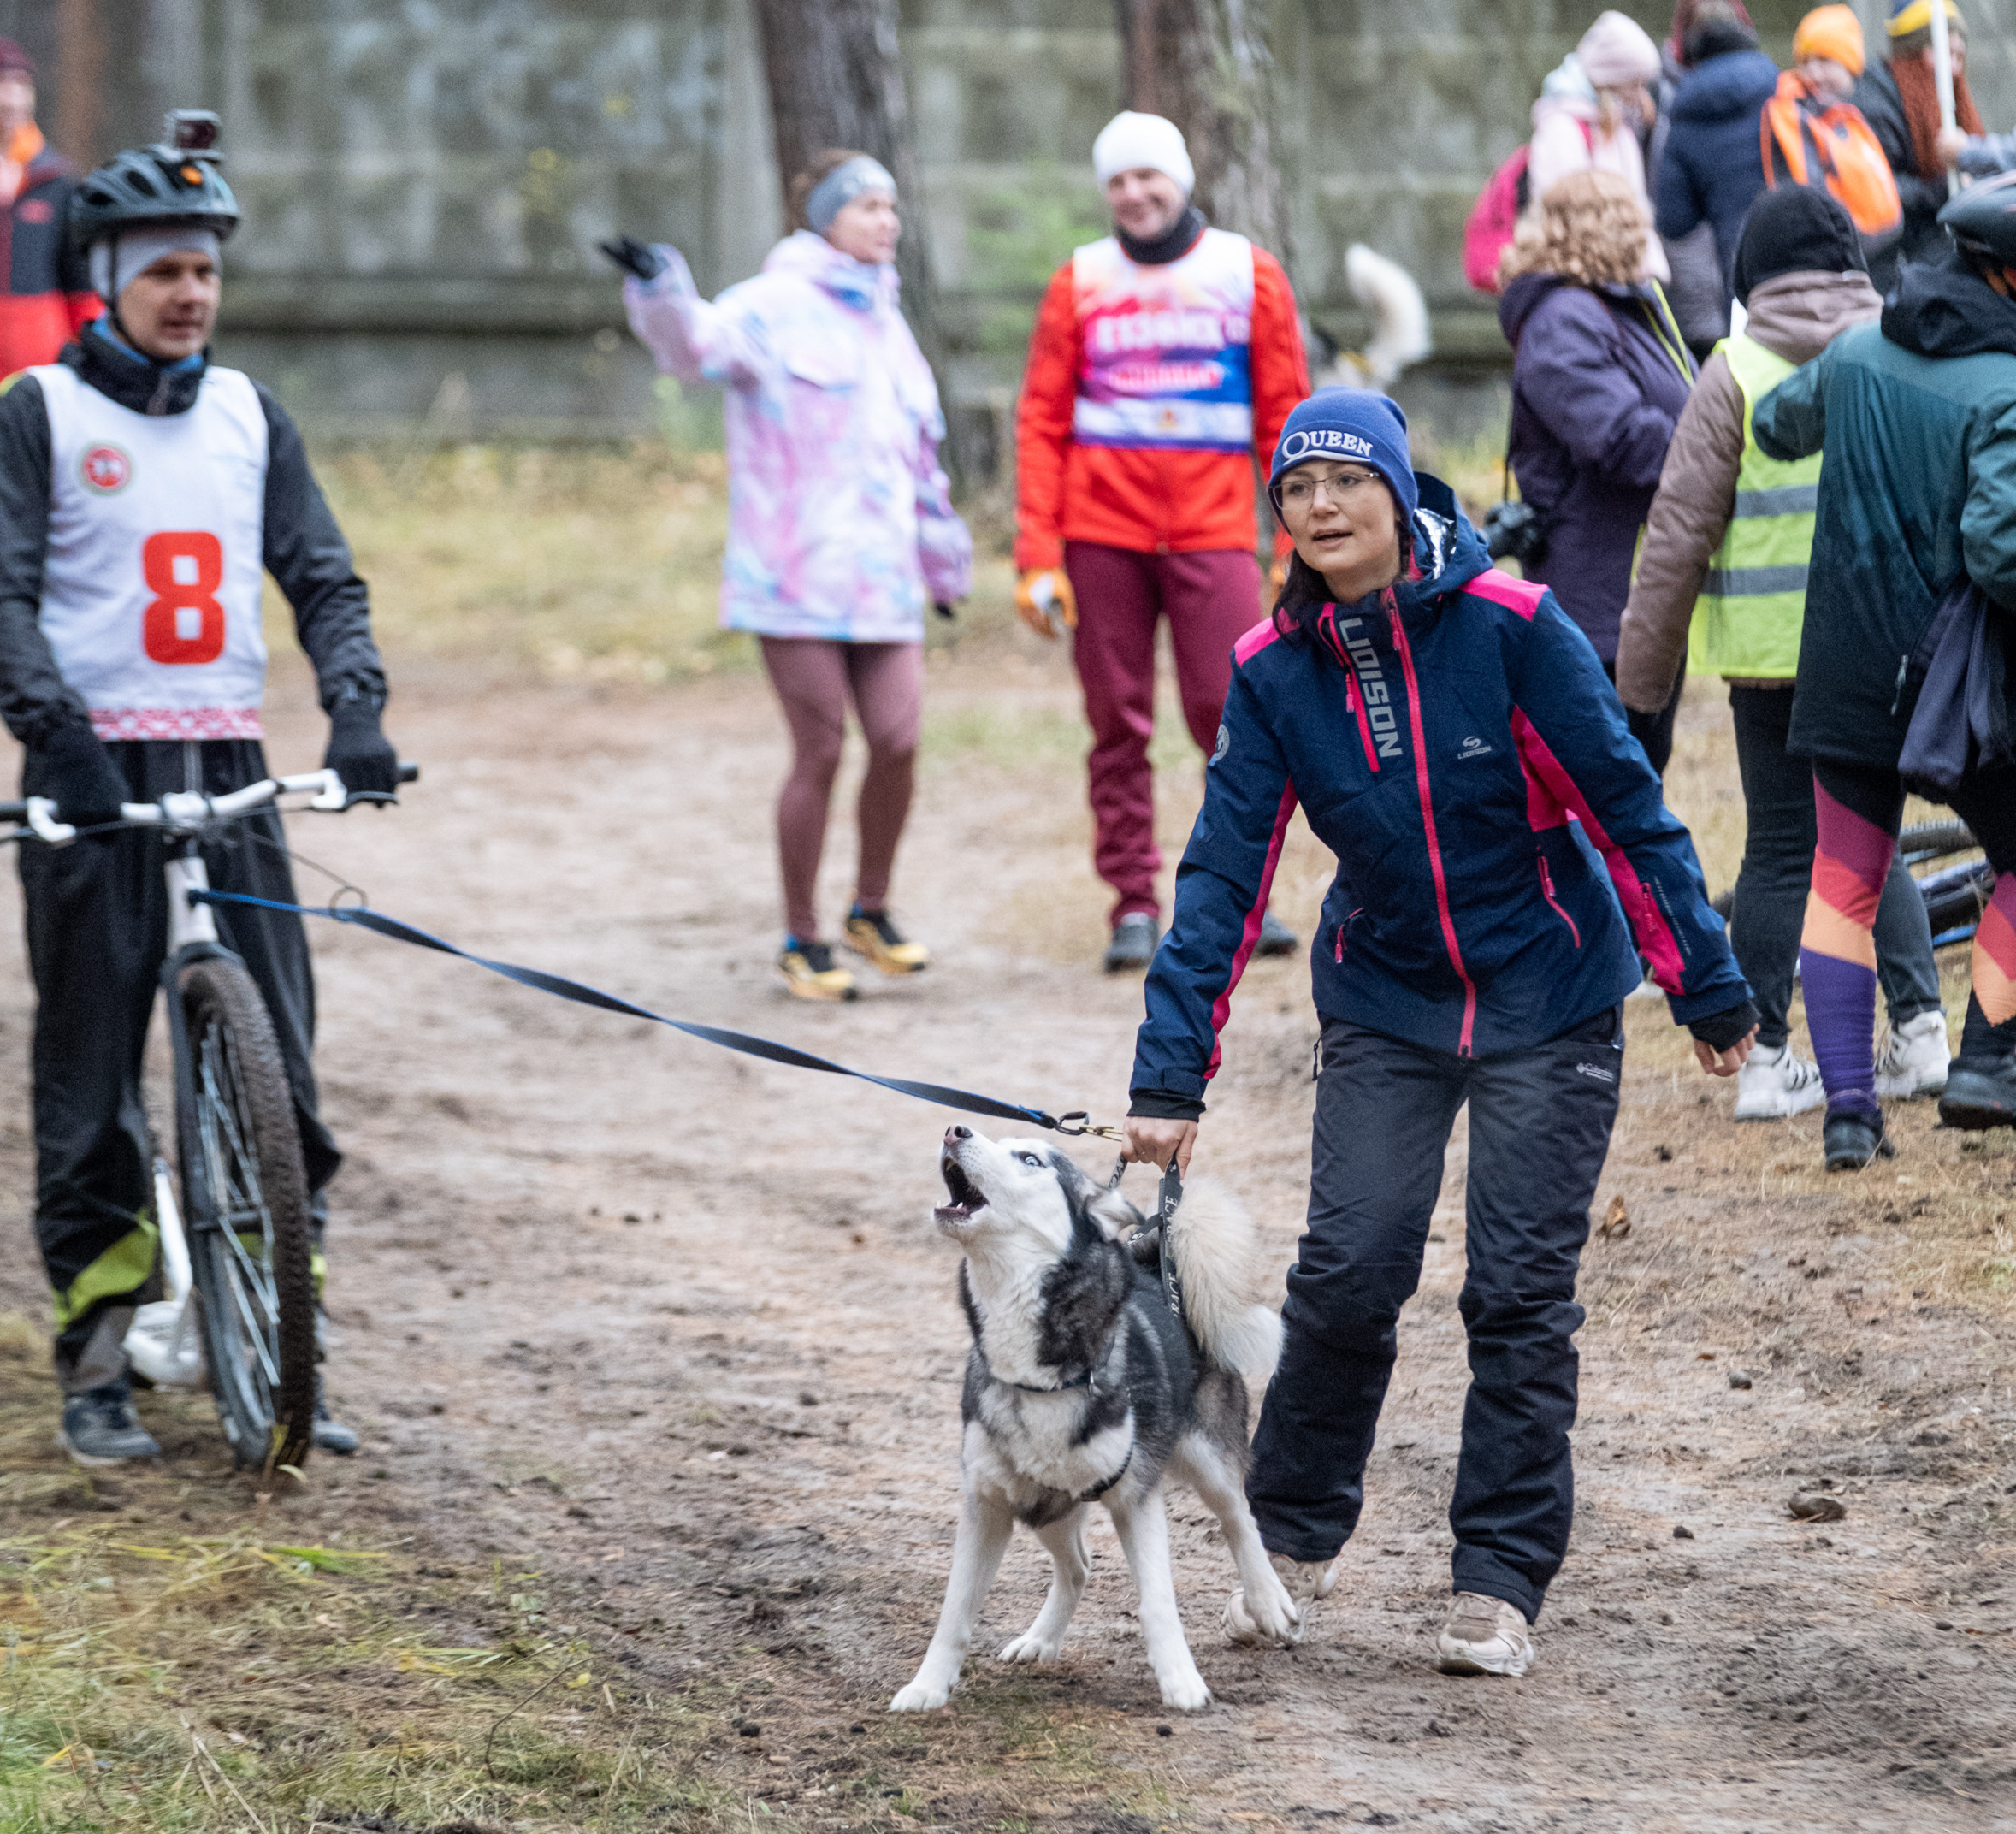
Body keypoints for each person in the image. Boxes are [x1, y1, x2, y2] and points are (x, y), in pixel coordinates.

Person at [1119, 390, 1753, 1680]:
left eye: (1348, 481)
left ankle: (1499, 1580)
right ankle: (1287, 1534)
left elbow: (1626, 806)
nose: (1321, 507)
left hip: (1549, 991)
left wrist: (1708, 984)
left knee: (1520, 1295)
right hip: (1389, 998)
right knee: (1350, 1270)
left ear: (1403, 498)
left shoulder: (1513, 628)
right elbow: (1223, 880)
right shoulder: (1272, 671)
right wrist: (1169, 1078)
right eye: (1297, 489)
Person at [0, 123, 398, 1464]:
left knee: (288, 1077)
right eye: (162, 270)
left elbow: (321, 576)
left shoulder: (250, 412)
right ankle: (98, 1355)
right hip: (90, 774)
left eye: (205, 270)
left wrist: (358, 707)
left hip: (229, 769)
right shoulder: (40, 411)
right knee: (90, 1085)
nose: (190, 293)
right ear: (105, 273)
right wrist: (63, 742)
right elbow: (2, 600)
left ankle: (282, 1337)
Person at [1617, 184, 1947, 1121]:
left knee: (1779, 850)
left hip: (1770, 662)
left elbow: (1677, 537)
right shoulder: (1900, 352)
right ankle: (1921, 1034)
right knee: (1867, 837)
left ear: (1748, 275)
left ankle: (1766, 1060)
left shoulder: (1733, 371)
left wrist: (1640, 689)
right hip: (1884, 646)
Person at [615, 151, 972, 1003]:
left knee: (899, 739)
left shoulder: (890, 322)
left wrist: (942, 561)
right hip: (792, 577)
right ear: (824, 218)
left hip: (883, 578)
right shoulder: (769, 305)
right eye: (868, 206)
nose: (887, 220)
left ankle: (870, 910)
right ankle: (802, 937)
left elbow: (919, 460)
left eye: (892, 206)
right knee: (820, 747)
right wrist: (661, 289)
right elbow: (695, 347)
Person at [1752, 174, 2016, 1168]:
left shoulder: (1861, 348)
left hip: (1848, 662)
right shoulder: (2005, 388)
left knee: (1844, 880)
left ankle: (1850, 1114)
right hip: (1962, 684)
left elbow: (1778, 423)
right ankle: (1987, 1063)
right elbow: (1999, 547)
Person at [1012, 111, 1312, 974]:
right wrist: (1036, 554)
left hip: (1215, 530)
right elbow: (1039, 420)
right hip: (1099, 534)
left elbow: (1283, 414)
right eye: (1118, 182)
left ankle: (1238, 895)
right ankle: (1134, 904)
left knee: (1231, 713)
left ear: (1180, 180)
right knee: (1116, 720)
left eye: (1150, 177)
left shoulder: (1246, 272)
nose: (1136, 195)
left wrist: (1297, 535)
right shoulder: (1080, 281)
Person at [1497, 169, 1694, 772]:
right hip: (1594, 594)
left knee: (1641, 763)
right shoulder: (1565, 321)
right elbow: (1617, 438)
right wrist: (1714, 451)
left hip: (1638, 580)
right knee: (1608, 773)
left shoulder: (1624, 309)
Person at [0, 35, 98, 476]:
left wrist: (94, 354)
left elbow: (80, 283)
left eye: (22, 85)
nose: (13, 98)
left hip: (34, 376)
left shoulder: (57, 180)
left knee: (13, 507)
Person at [1653, 0, 1780, 312]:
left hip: (1740, 272)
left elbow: (1674, 222)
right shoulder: (1782, 90)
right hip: (1807, 254)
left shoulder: (1683, 118)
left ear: (1687, 51)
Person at [1650, 0, 1754, 353]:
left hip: (1696, 293)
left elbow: (1673, 221)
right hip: (1762, 277)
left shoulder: (1667, 106)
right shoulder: (1778, 93)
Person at [1857, 0, 1987, 281]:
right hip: (1897, 261)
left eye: (1959, 56)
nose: (1954, 68)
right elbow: (1879, 186)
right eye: (1945, 53)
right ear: (1913, 53)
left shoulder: (1950, 102)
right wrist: (1942, 190)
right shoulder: (1876, 105)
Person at [1527, 11, 1667, 277]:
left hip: (1624, 272)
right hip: (1586, 274)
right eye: (1634, 84)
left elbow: (1635, 205)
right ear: (1608, 79)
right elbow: (1561, 213)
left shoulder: (1620, 128)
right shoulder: (1562, 128)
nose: (1641, 96)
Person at [1757, 8, 1902, 260]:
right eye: (1804, 62)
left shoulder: (1866, 113)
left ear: (1850, 66)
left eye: (1824, 61)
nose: (1813, 73)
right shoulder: (1797, 117)